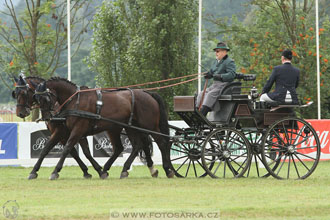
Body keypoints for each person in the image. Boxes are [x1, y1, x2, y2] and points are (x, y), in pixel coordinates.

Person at [196, 42, 236, 116]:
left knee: (210, 94)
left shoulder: (229, 62)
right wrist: (208, 74)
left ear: (224, 52)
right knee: (202, 93)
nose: (216, 53)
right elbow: (211, 72)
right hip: (214, 85)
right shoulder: (216, 62)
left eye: (218, 51)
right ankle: (197, 111)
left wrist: (220, 76)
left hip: (224, 85)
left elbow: (232, 75)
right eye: (215, 51)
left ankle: (203, 114)